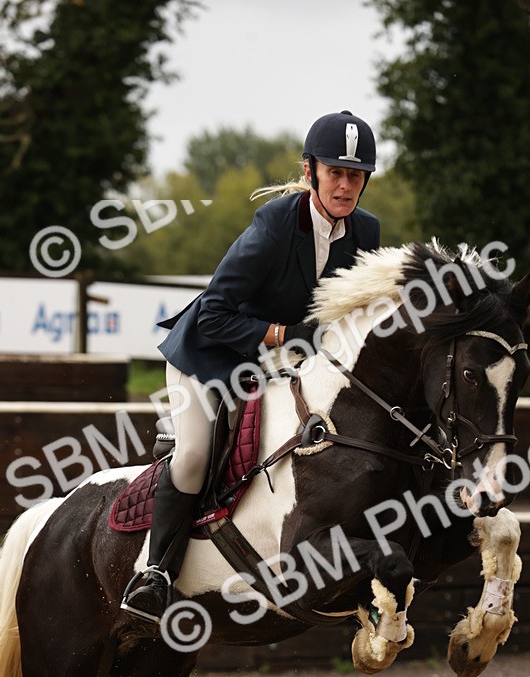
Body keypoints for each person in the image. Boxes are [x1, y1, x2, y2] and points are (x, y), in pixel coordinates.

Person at [121, 110, 380, 622]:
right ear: (310, 171)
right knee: (194, 456)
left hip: (278, 364)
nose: (345, 186)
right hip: (210, 355)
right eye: (335, 172)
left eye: (356, 175)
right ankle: (154, 575)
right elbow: (214, 313)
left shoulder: (365, 231)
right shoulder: (276, 223)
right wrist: (285, 334)